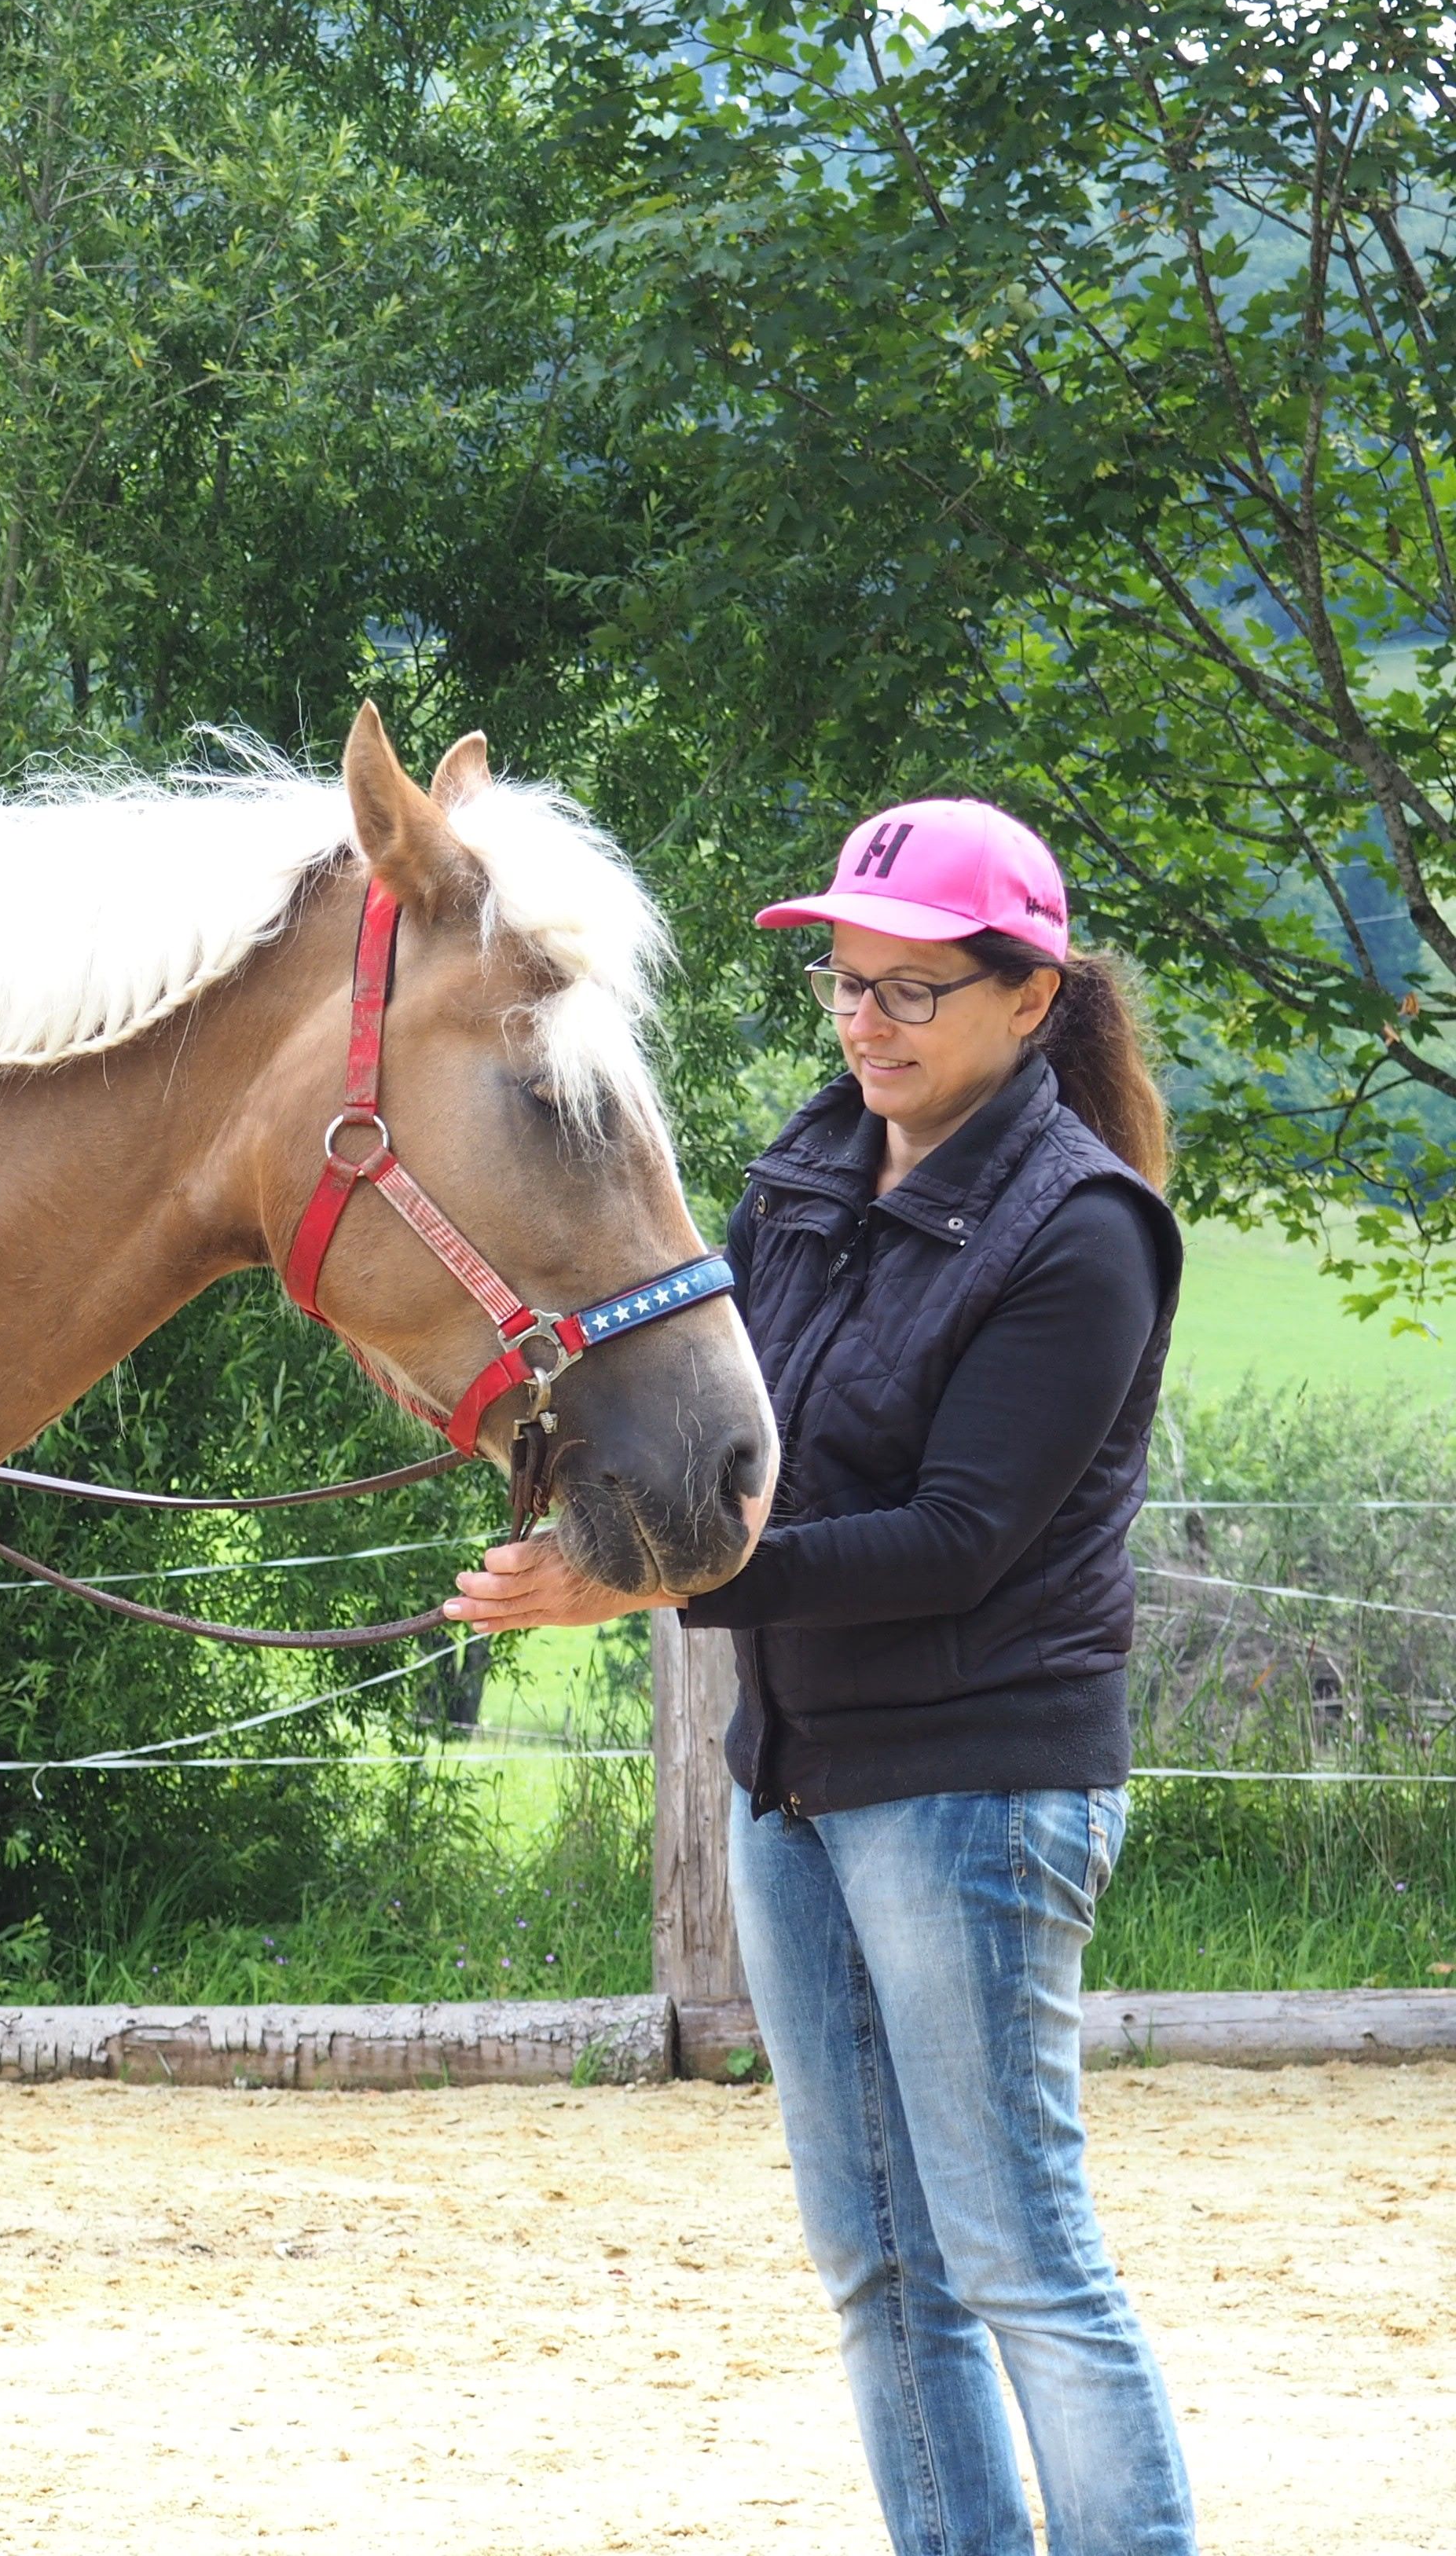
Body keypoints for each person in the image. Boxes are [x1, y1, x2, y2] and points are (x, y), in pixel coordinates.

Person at [445, 797, 1194, 2556]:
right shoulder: (812, 1166)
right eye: (847, 984)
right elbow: (734, 1430)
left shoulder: (1084, 1231)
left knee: (1019, 2263)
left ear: (1033, 997)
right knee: (878, 2266)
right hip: (792, 1781)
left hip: (975, 1796)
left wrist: (640, 1582)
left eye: (913, 989)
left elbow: (954, 1543)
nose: (867, 1023)